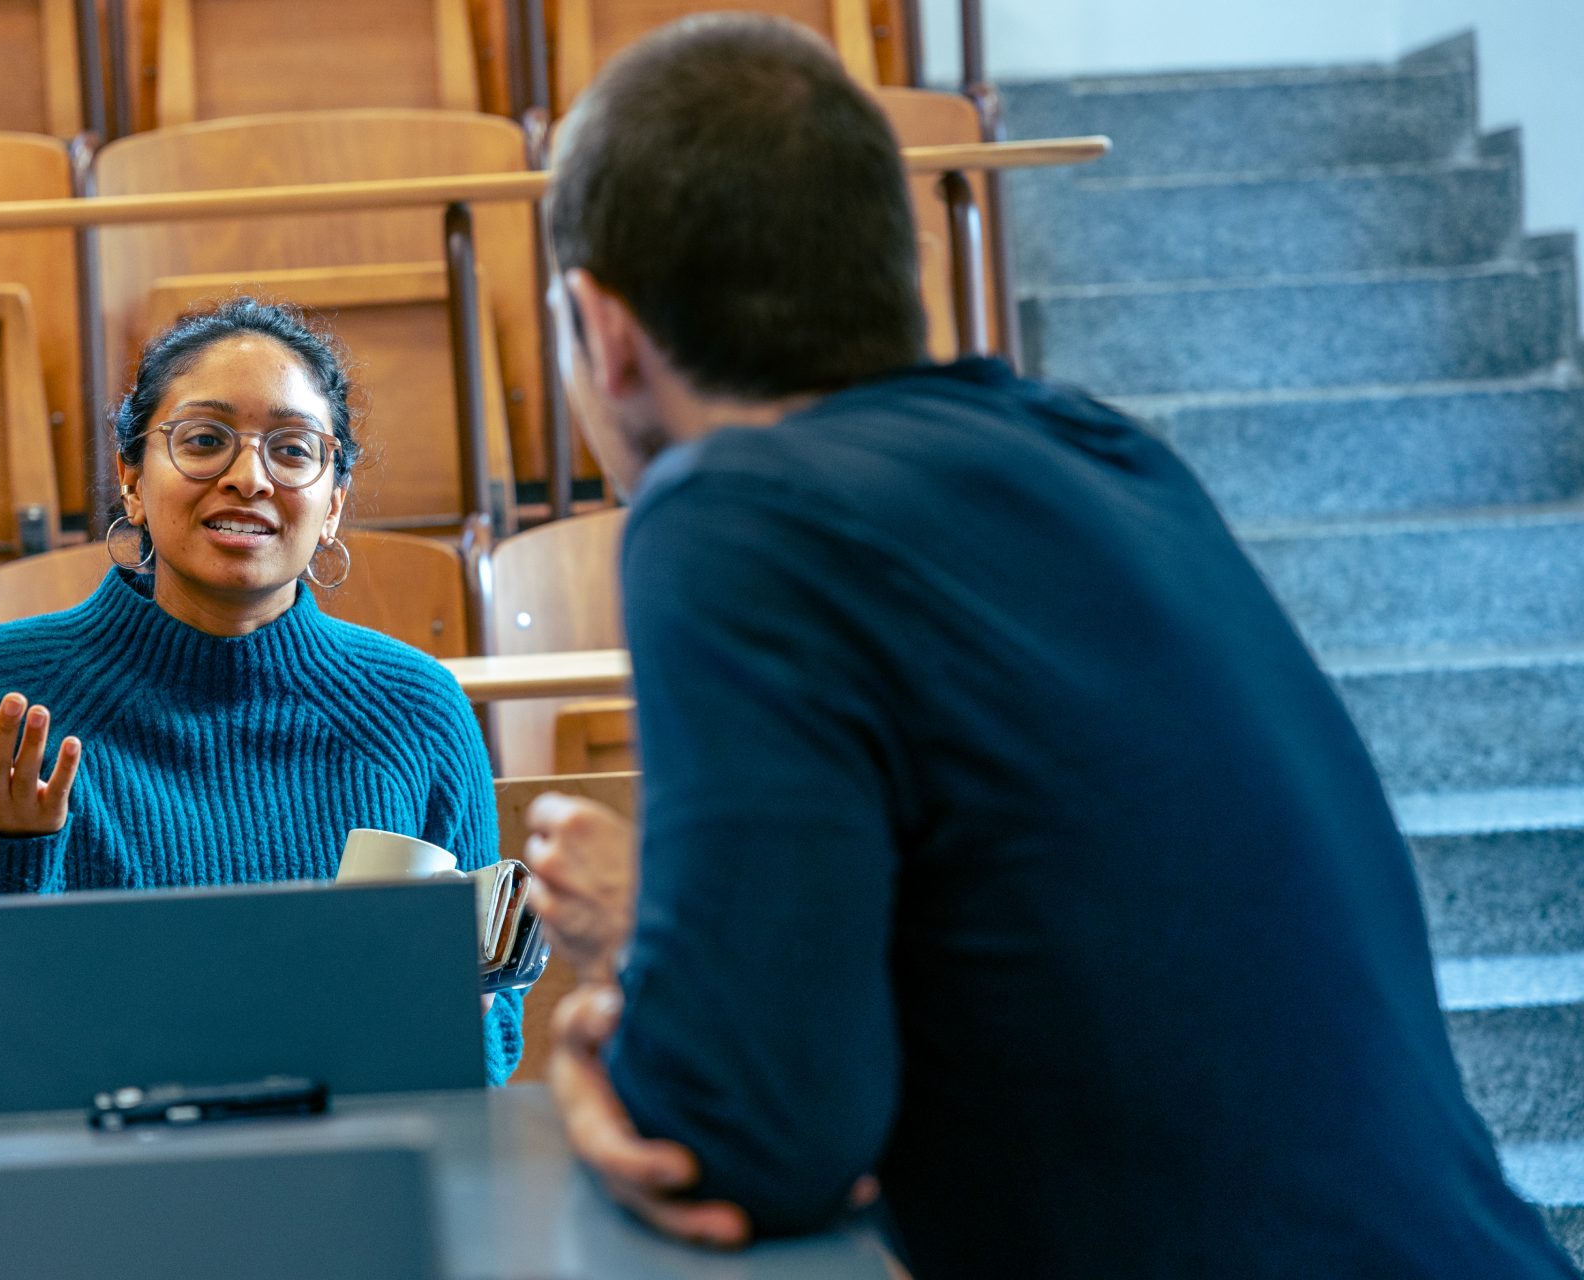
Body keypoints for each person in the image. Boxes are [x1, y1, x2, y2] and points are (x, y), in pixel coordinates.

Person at [521, 14, 1578, 1276]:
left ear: (603, 327)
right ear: (895, 260)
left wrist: (645, 980)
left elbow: (751, 1134)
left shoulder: (731, 512)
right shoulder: (1107, 451)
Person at [0, 297, 522, 1085]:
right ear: (130, 477)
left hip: (343, 1177)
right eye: (203, 441)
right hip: (101, 1179)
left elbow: (494, 1050)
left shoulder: (418, 709)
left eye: (294, 451)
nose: (248, 478)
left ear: (332, 504)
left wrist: (444, 1019)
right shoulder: (5, 695)